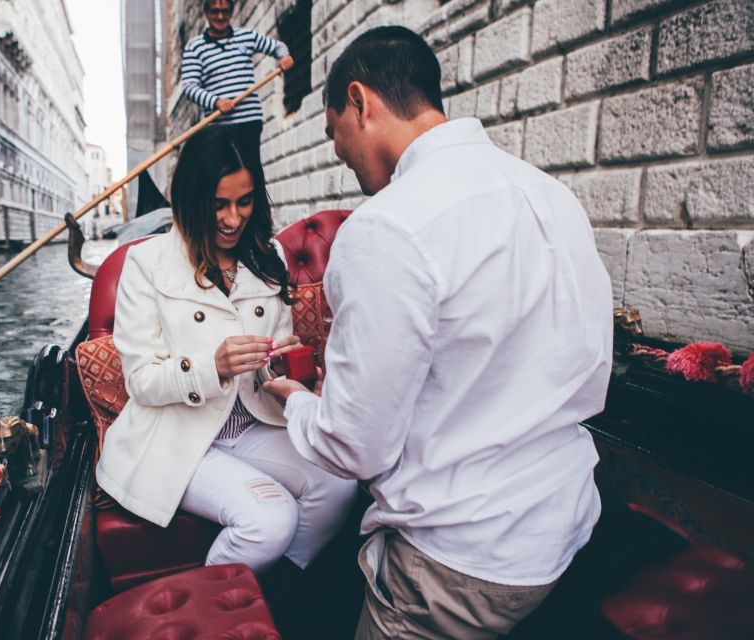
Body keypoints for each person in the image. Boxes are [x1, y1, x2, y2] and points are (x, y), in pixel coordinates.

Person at [263, 26, 614, 639]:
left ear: (360, 102)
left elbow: (356, 447)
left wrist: (294, 404)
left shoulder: (385, 229)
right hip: (566, 527)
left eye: (332, 132)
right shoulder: (554, 196)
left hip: (457, 565)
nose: (339, 154)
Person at [95, 126, 356, 578]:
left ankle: (275, 597)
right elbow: (141, 381)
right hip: (181, 435)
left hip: (253, 422)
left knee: (340, 483)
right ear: (192, 199)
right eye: (218, 204)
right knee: (271, 518)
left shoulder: (265, 257)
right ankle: (215, 608)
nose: (234, 219)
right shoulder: (147, 264)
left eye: (244, 201)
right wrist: (209, 366)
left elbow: (273, 356)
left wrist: (280, 361)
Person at [181, 0, 294, 166]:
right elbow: (189, 87)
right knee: (223, 174)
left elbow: (278, 47)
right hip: (219, 125)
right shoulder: (195, 48)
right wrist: (216, 102)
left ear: (231, 12)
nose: (220, 16)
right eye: (215, 11)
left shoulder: (246, 37)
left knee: (252, 173)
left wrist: (284, 57)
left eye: (225, 11)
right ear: (206, 13)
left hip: (250, 122)